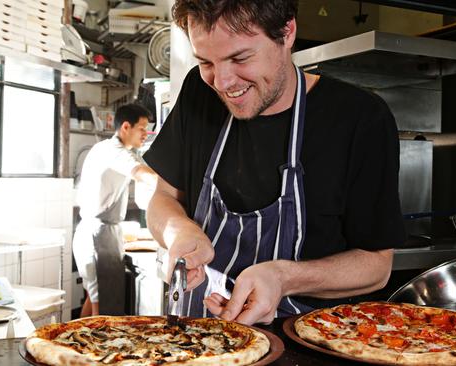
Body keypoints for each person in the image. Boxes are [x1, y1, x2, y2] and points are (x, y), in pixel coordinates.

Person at [144, 0, 405, 325]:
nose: (223, 83)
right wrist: (179, 232)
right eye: (206, 62)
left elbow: (377, 266)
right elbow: (163, 198)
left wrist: (285, 277)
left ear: (286, 32)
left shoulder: (359, 118)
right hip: (200, 338)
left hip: (308, 344)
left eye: (239, 58)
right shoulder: (199, 93)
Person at [73, 103, 157, 317]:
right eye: (142, 129)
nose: (146, 134)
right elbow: (143, 174)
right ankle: (92, 351)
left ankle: (75, 347)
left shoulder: (113, 148)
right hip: (98, 237)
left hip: (97, 233)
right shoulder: (115, 151)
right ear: (126, 127)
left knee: (94, 302)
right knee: (103, 311)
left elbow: (146, 167)